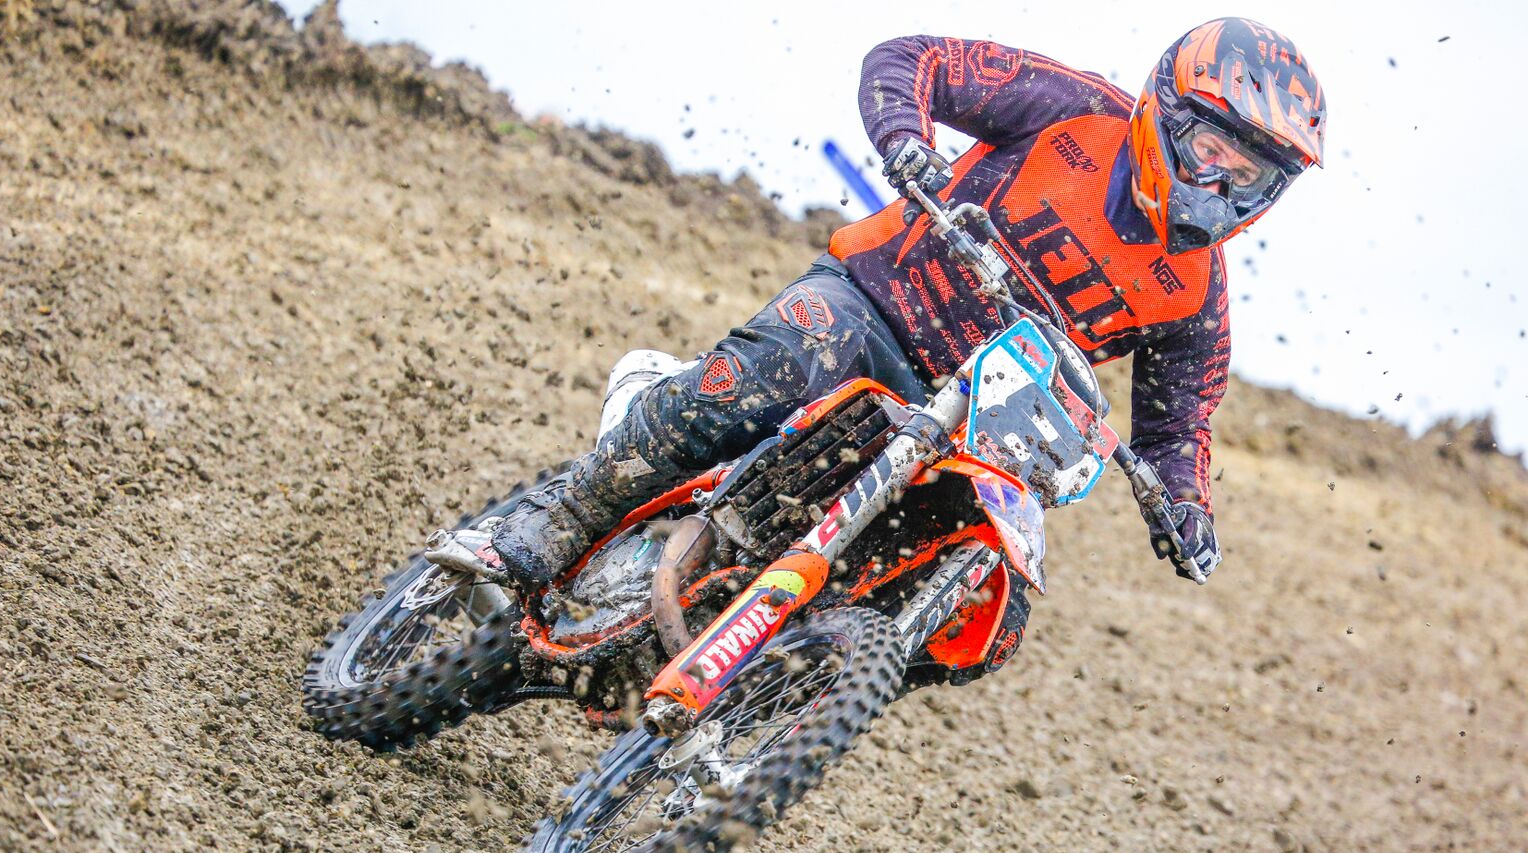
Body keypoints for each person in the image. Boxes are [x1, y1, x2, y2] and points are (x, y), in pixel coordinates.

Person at [429, 17, 1325, 678]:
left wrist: (1185, 507)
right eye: (1211, 149)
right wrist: (909, 146)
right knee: (757, 377)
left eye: (1250, 177)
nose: (1221, 186)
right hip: (873, 307)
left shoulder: (1200, 298)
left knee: (992, 616)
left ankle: (780, 696)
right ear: (1165, 110)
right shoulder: (1074, 112)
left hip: (979, 423)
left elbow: (1178, 425)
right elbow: (912, 60)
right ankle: (548, 524)